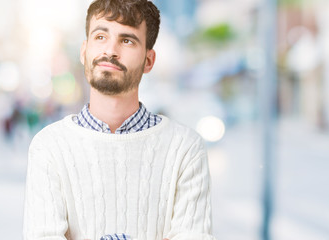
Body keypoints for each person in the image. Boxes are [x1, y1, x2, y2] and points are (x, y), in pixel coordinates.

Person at [23, 0, 215, 239]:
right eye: (100, 37)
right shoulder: (49, 146)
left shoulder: (185, 148)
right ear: (84, 51)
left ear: (149, 60)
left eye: (127, 40)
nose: (110, 50)